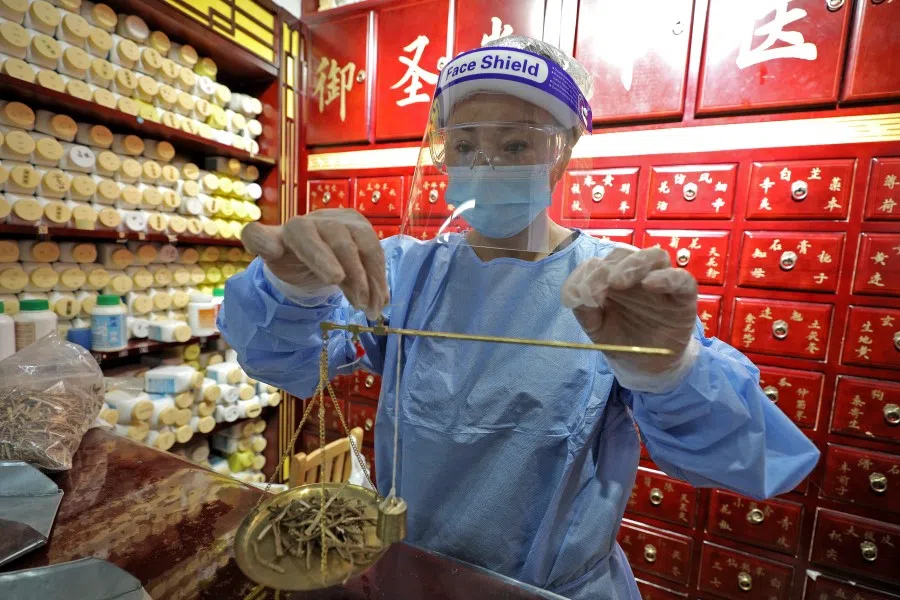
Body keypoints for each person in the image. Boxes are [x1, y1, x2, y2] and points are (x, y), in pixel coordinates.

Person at [219, 36, 819, 600]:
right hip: (414, 575)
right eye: (464, 145)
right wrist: (294, 290)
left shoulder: (609, 291)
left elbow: (742, 457)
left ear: (560, 157)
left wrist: (669, 369)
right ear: (442, 152)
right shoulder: (408, 275)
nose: (486, 165)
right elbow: (284, 358)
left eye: (515, 146)